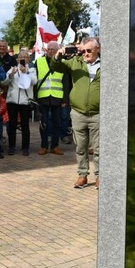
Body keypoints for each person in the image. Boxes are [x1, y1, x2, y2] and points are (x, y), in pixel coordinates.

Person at [52, 37, 101, 189]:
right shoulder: (75, 62)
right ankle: (82, 175)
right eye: (84, 50)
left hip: (98, 113)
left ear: (97, 49)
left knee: (99, 148)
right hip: (78, 113)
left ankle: (100, 176)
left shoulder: (106, 64)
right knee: (80, 147)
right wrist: (58, 55)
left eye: (89, 50)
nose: (86, 54)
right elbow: (56, 66)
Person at [35, 41, 67, 155]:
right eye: (48, 49)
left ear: (58, 50)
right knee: (43, 123)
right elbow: (35, 81)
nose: (50, 51)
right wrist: (35, 98)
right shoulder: (38, 62)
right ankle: (44, 146)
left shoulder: (63, 62)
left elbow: (66, 82)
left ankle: (55, 146)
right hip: (42, 97)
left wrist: (65, 99)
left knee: (57, 123)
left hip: (57, 97)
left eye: (53, 49)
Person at [2, 49, 36, 156]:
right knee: (12, 124)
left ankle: (25, 147)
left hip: (25, 101)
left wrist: (26, 72)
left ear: (28, 59)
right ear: (17, 59)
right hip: (12, 100)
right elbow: (4, 82)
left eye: (25, 57)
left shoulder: (31, 70)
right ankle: (11, 146)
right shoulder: (12, 69)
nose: (23, 58)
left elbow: (34, 81)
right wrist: (11, 75)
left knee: (25, 125)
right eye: (21, 57)